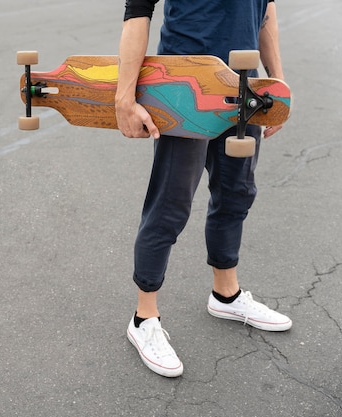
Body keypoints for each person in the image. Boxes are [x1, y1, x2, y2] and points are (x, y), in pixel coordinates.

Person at [115, 0, 292, 378]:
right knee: (171, 203)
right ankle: (143, 318)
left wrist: (277, 84)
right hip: (185, 87)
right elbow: (138, 12)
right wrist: (124, 98)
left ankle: (225, 295)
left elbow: (265, 12)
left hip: (245, 85)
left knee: (236, 193)